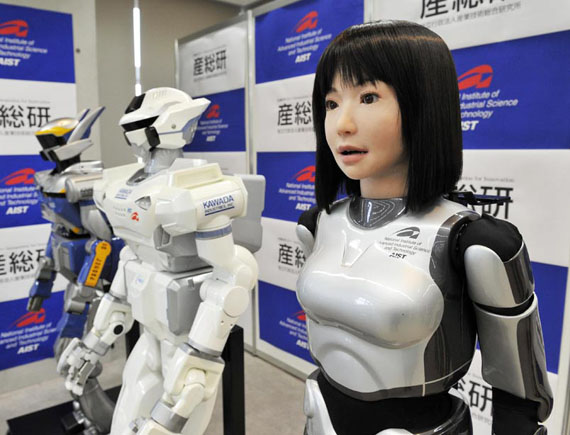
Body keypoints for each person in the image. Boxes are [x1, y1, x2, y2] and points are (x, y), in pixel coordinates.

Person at [296, 21, 552, 435]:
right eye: (331, 102)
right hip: (320, 414)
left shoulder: (473, 242)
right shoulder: (319, 224)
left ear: (424, 103)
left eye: (368, 97)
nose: (342, 123)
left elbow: (519, 395)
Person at [58, 87, 264, 435]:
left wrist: (199, 359)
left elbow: (234, 275)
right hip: (150, 332)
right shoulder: (122, 182)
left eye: (134, 129)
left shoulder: (196, 189)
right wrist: (94, 342)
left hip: (185, 344)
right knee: (125, 420)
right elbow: (131, 260)